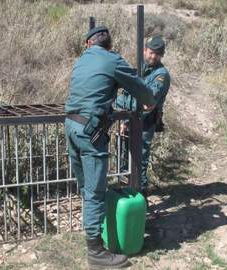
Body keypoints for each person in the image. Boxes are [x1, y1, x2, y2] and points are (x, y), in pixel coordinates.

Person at [65, 26, 155, 268]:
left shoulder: (81, 60)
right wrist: (149, 102)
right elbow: (138, 86)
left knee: (86, 188)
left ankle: (94, 233)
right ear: (109, 45)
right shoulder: (112, 59)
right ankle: (95, 253)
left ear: (87, 44)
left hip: (70, 126)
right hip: (89, 131)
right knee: (95, 190)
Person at [116, 36, 171, 200]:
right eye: (151, 52)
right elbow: (129, 95)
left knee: (140, 158)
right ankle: (125, 192)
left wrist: (121, 103)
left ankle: (140, 196)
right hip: (129, 118)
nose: (153, 56)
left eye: (157, 54)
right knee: (123, 154)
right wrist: (125, 119)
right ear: (145, 50)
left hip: (145, 122)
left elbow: (147, 101)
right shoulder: (139, 69)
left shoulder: (161, 75)